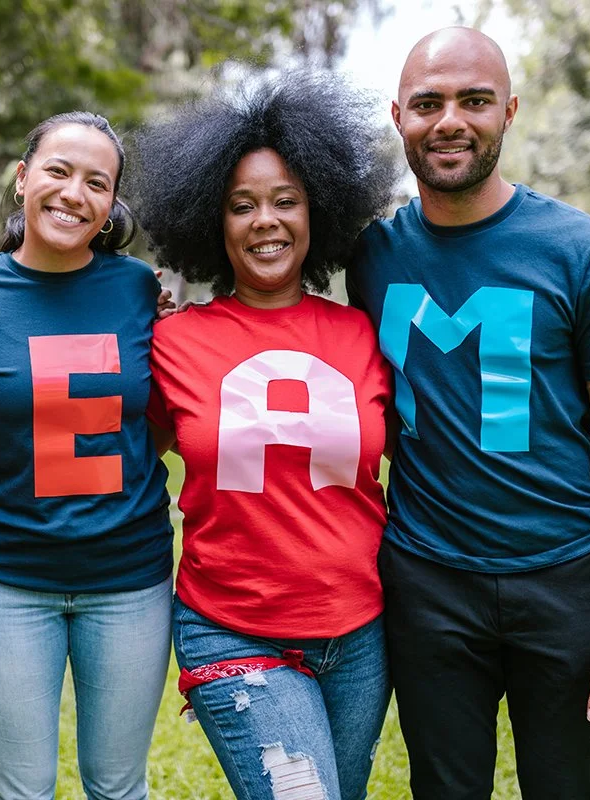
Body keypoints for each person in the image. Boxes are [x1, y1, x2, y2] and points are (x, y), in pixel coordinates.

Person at [347, 27, 590, 799]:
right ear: (399, 118)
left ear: (510, 111)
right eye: (428, 103)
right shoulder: (371, 256)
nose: (449, 120)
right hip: (428, 582)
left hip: (565, 582)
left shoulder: (587, 253)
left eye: (474, 100)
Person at [130, 75, 400, 800]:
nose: (265, 222)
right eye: (241, 206)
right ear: (210, 221)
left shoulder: (364, 335)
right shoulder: (172, 343)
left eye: (286, 201)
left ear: (318, 212)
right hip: (233, 628)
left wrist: (580, 437)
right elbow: (112, 434)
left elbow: (436, 438)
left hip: (363, 633)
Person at [0, 111, 173, 800]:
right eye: (59, 171)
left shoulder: (138, 291)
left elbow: (163, 417)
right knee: (19, 788)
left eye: (97, 182)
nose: (74, 193)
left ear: (111, 205)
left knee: (119, 785)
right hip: (8, 579)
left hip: (130, 578)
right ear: (22, 179)